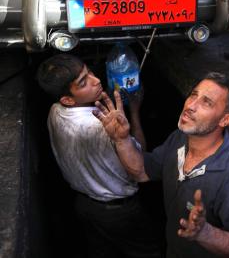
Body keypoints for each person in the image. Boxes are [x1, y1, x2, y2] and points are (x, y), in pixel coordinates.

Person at [93, 72, 229, 258]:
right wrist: (122, 140)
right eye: (193, 95)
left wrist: (205, 233)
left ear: (225, 120)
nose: (190, 106)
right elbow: (141, 171)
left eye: (207, 102)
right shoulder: (181, 138)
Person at [37, 54, 160, 258]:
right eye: (84, 82)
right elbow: (141, 165)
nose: (97, 80)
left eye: (90, 72)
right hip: (119, 212)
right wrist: (135, 112)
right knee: (149, 250)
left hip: (85, 205)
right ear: (67, 98)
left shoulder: (55, 111)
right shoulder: (100, 129)